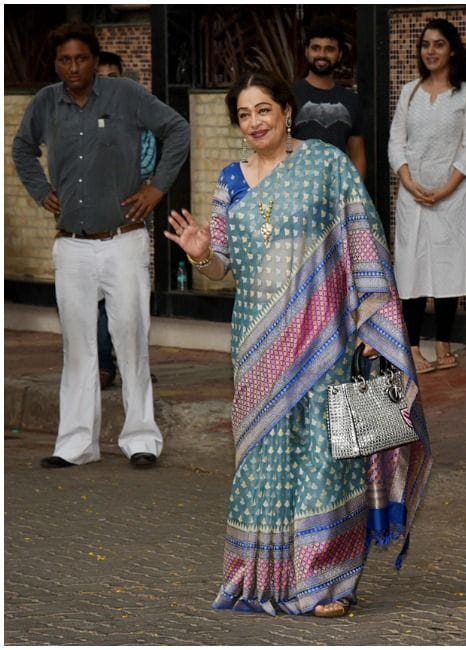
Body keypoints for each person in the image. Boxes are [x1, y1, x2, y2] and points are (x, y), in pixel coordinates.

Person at [164, 71, 431, 617]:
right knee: (263, 459)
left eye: (264, 110)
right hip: (258, 346)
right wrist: (198, 253)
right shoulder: (230, 182)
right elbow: (221, 269)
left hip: (327, 340)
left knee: (325, 457)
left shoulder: (326, 165)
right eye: (244, 114)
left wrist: (371, 323)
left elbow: (364, 237)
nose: (255, 122)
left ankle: (327, 583)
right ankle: (263, 577)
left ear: (287, 111)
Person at [12, 22, 190, 469]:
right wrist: (40, 190)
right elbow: (21, 148)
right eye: (64, 60)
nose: (73, 67)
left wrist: (156, 189)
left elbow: (178, 131)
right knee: (77, 347)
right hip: (71, 245)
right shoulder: (45, 103)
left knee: (131, 339)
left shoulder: (125, 95)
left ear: (95, 60)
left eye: (81, 58)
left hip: (122, 241)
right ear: (56, 65)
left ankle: (141, 439)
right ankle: (76, 444)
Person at [388, 18, 466, 374]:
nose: (430, 51)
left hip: (454, 197)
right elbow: (395, 142)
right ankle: (413, 348)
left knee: (448, 266)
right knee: (413, 268)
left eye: (439, 44)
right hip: (412, 197)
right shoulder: (410, 92)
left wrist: (445, 189)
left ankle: (444, 343)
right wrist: (409, 182)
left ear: (453, 50)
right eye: (426, 44)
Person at [95, 50, 157, 390]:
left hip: (132, 218)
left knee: (133, 296)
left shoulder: (141, 119)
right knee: (101, 297)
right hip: (92, 225)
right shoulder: (80, 120)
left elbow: (146, 165)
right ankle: (105, 366)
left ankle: (136, 368)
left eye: (114, 76)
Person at [292, 20, 367, 177]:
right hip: (298, 185)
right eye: (315, 48)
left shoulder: (351, 100)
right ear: (306, 52)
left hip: (338, 187)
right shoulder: (290, 94)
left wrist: (356, 192)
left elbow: (357, 155)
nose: (322, 55)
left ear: (339, 54)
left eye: (329, 49)